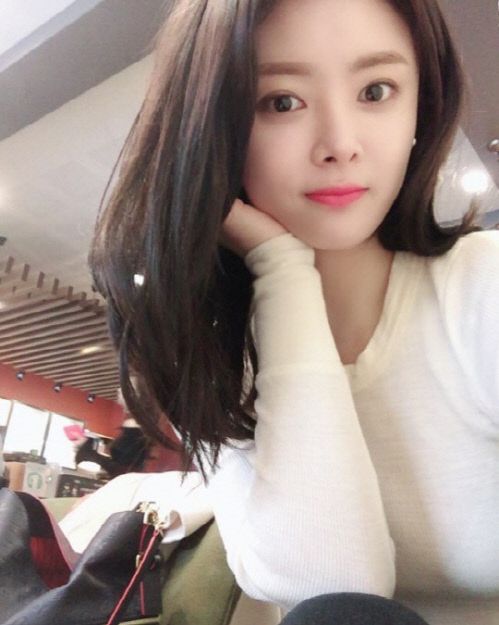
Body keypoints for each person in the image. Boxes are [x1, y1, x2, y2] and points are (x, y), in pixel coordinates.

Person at [89, 0, 499, 623]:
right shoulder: (221, 363)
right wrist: (281, 268)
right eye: (281, 102)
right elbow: (335, 589)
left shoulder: (481, 288)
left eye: (376, 91)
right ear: (213, 130)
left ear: (422, 106)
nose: (340, 144)